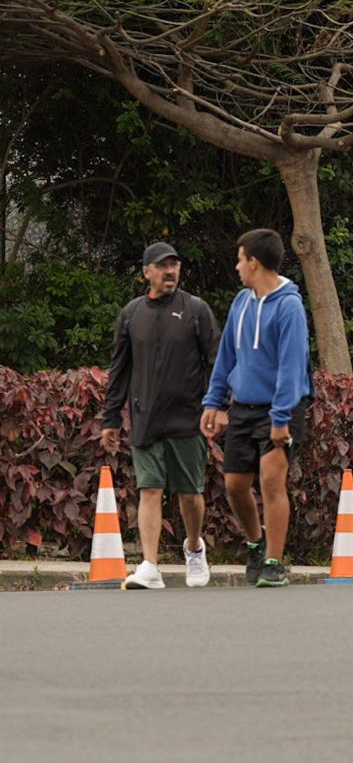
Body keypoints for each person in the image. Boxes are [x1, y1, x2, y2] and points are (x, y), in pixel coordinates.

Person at [102, 242, 219, 590]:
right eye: (162, 265)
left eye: (175, 265)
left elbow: (216, 361)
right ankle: (150, 565)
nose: (170, 270)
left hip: (189, 418)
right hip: (145, 417)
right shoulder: (131, 314)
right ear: (146, 272)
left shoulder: (196, 310)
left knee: (189, 494)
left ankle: (194, 549)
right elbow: (119, 369)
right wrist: (110, 418)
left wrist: (216, 405)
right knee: (149, 488)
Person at [200, 228, 311, 588]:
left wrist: (281, 420)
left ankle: (274, 562)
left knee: (270, 480)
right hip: (244, 406)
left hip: (281, 409)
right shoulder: (241, 302)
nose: (236, 266)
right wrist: (214, 401)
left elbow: (292, 368)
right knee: (234, 484)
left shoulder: (290, 306)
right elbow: (227, 356)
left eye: (240, 259)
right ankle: (255, 542)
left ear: (255, 261)